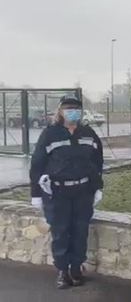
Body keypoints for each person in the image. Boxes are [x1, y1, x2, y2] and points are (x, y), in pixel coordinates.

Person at [30, 94, 104, 289]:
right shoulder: (50, 134)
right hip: (57, 193)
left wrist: (97, 187)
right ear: (60, 112)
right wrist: (36, 194)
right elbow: (37, 165)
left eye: (76, 108)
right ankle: (63, 271)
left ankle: (76, 268)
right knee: (61, 232)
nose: (73, 112)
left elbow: (97, 163)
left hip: (83, 192)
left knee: (80, 231)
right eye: (69, 108)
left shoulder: (88, 133)